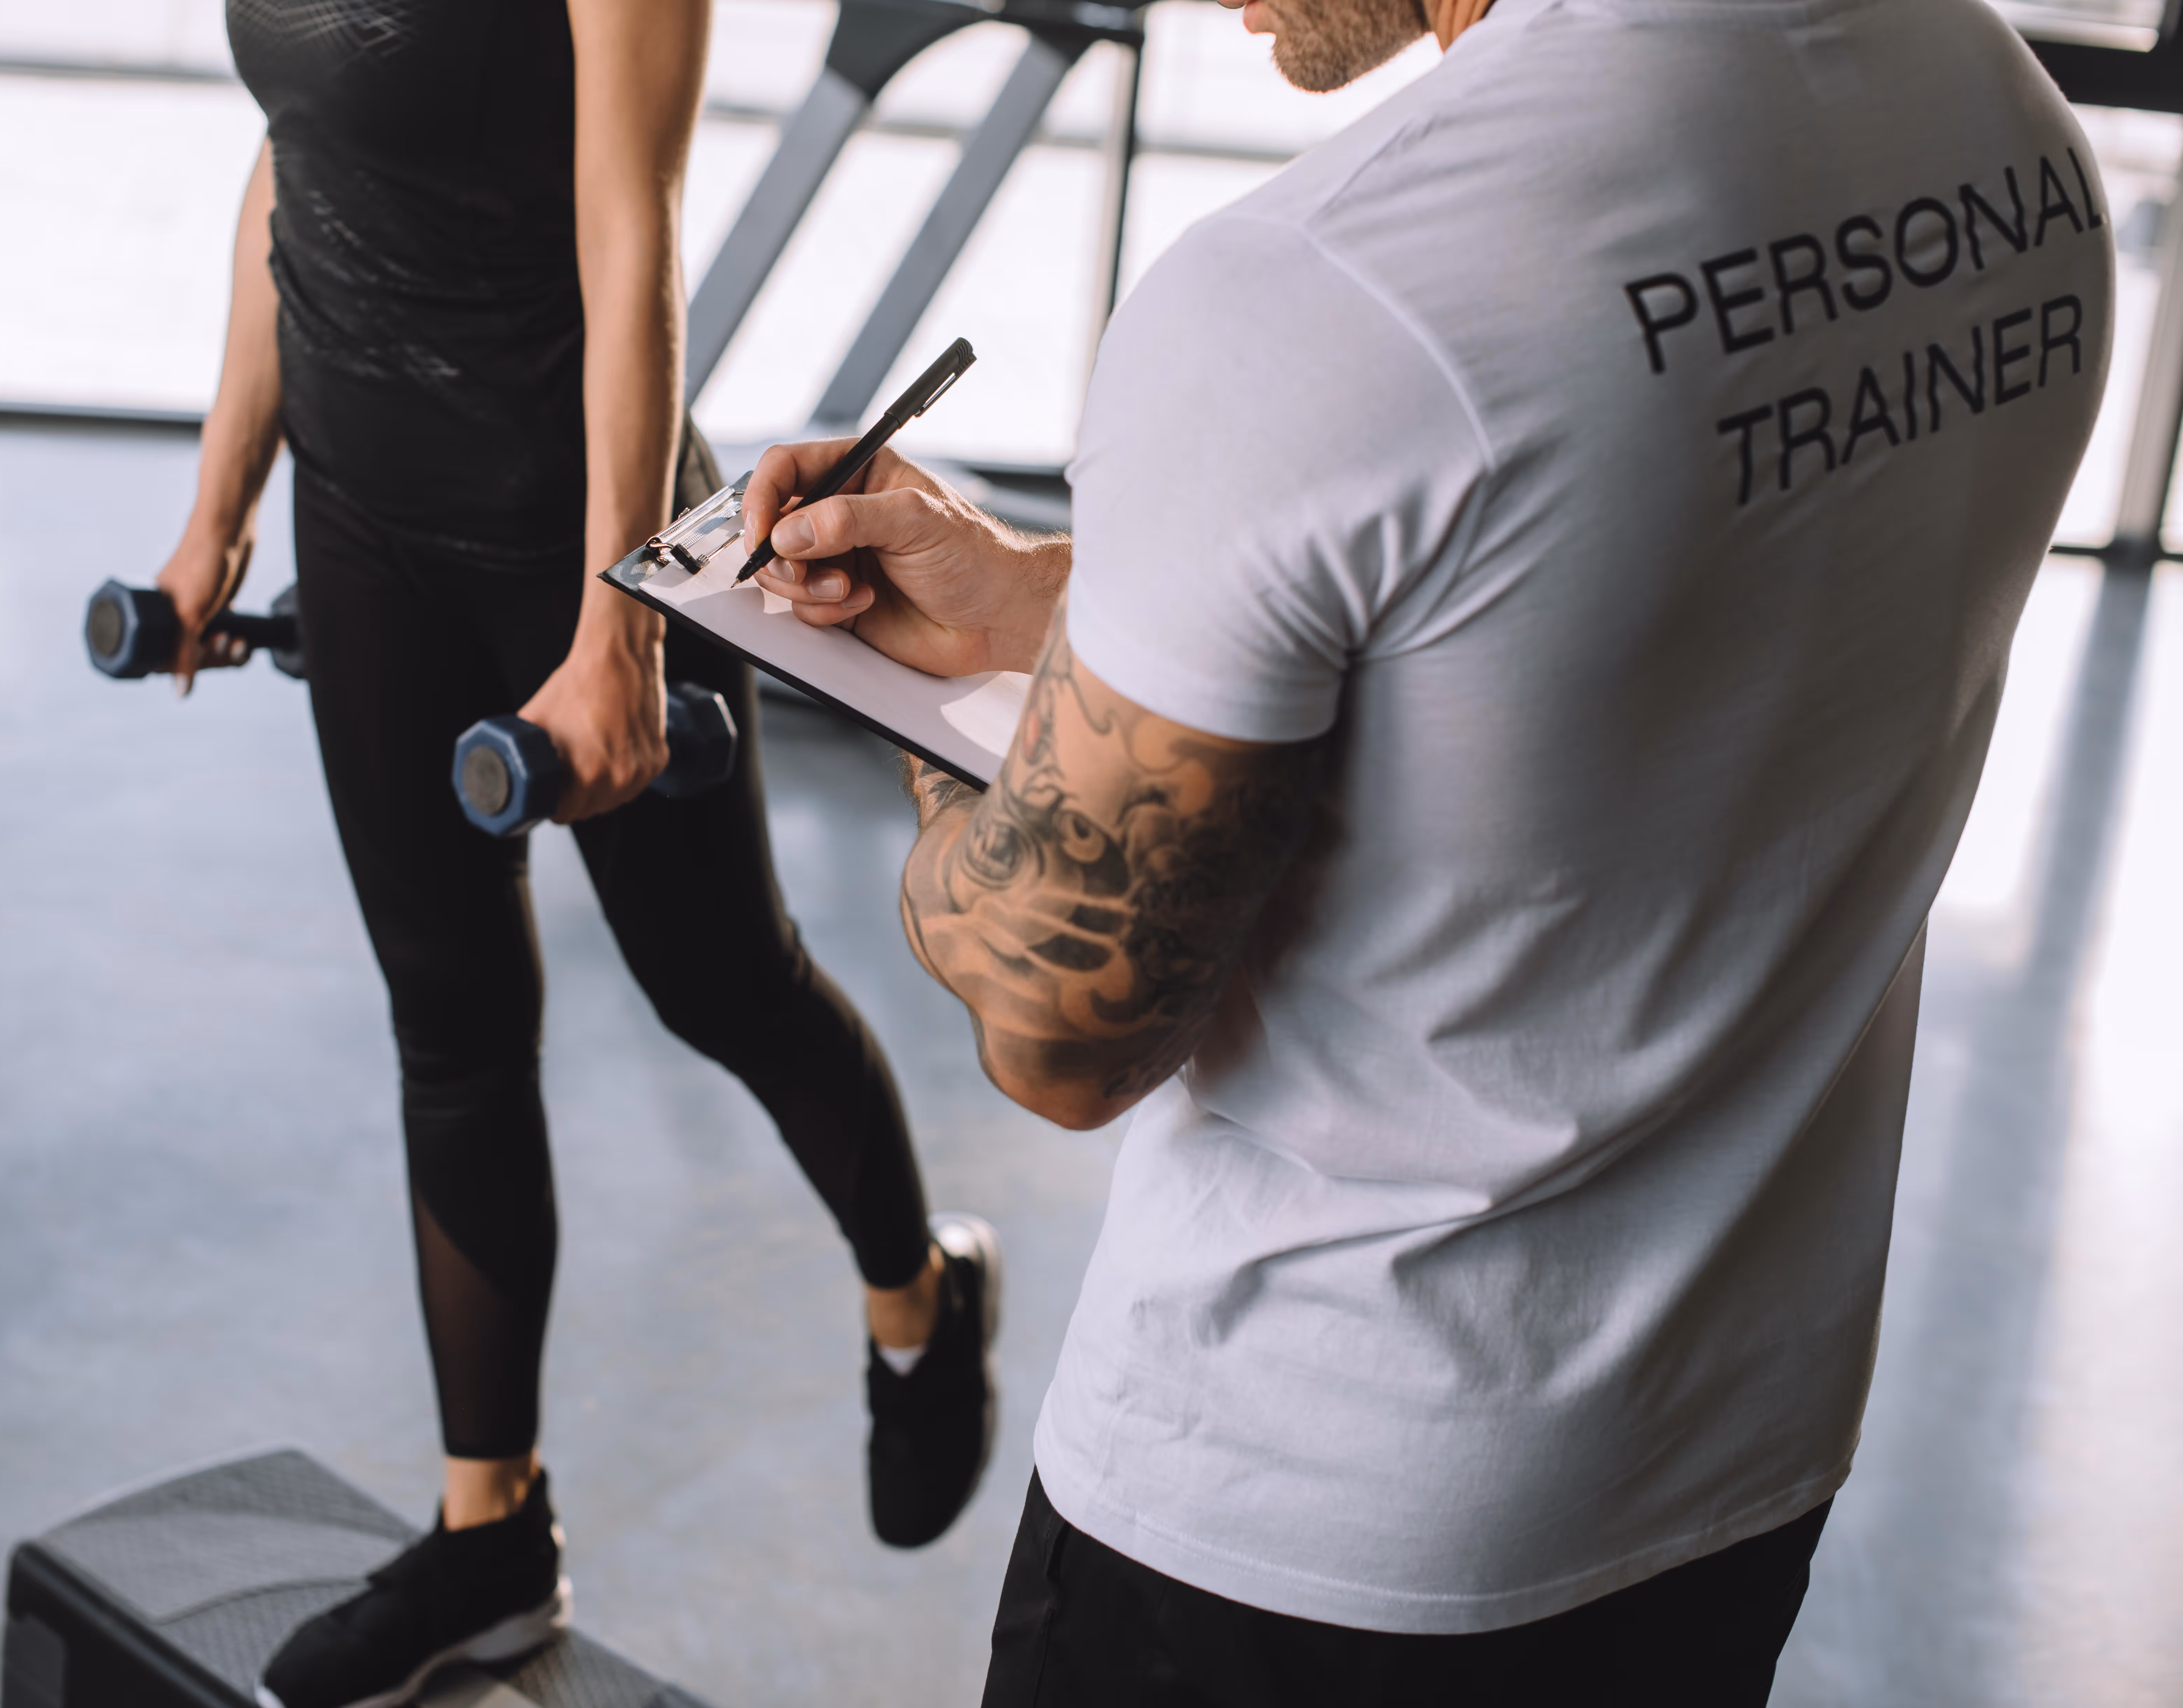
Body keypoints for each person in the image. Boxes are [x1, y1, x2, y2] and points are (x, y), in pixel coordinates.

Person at [739, 0, 2112, 1696]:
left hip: (1311, 1515)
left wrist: (946, 741)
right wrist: (1057, 597)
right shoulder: (2004, 134)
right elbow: (1567, 597)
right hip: (1728, 1465)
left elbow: (1056, 1019)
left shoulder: (1322, 291)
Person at [153, 5, 1000, 1704]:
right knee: (450, 1024)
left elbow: (634, 234)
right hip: (365, 515)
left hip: (574, 525)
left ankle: (919, 1295)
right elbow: (293, 154)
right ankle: (492, 1534)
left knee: (724, 986)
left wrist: (617, 630)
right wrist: (215, 508)